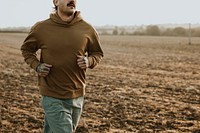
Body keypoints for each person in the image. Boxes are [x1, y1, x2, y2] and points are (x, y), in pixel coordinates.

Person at [21, 0, 103, 132]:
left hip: (77, 94)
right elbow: (27, 50)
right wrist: (37, 66)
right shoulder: (41, 28)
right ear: (56, 1)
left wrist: (89, 61)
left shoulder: (87, 29)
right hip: (52, 94)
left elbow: (97, 53)